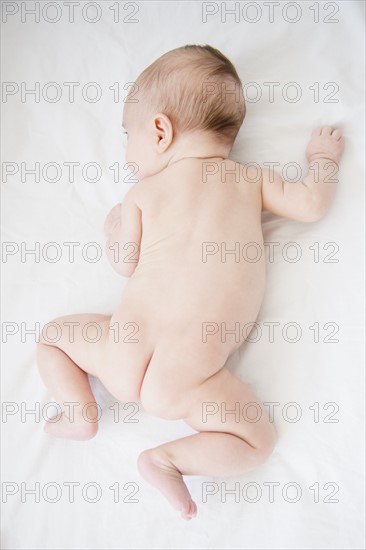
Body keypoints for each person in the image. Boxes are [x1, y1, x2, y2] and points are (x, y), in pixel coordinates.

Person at [37, 44, 345, 520]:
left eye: (127, 133)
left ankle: (79, 412)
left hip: (122, 346)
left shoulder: (144, 192)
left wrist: (114, 229)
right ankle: (167, 459)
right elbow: (311, 205)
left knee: (54, 339)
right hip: (186, 378)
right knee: (255, 439)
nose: (126, 150)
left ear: (160, 130)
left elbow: (124, 263)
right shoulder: (251, 181)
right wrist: (322, 160)